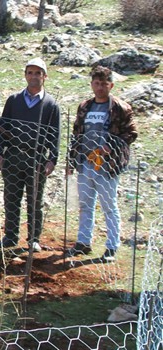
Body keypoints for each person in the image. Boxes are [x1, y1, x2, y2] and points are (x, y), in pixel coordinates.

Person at [65, 66, 137, 262]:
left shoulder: (120, 108)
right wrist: (71, 160)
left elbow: (131, 133)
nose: (100, 88)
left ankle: (112, 246)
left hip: (108, 165)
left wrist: (111, 147)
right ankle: (83, 242)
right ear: (91, 85)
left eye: (104, 84)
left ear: (111, 85)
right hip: (85, 162)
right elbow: (76, 134)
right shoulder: (84, 107)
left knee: (109, 206)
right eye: (96, 84)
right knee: (85, 204)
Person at [0, 58, 60, 252]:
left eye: (38, 73)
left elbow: (55, 134)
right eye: (30, 72)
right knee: (11, 198)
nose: (33, 76)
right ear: (25, 75)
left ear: (45, 76)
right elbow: (3, 127)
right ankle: (11, 237)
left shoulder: (51, 104)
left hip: (36, 159)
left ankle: (33, 239)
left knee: (34, 201)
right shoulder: (14, 100)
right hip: (13, 157)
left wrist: (52, 159)